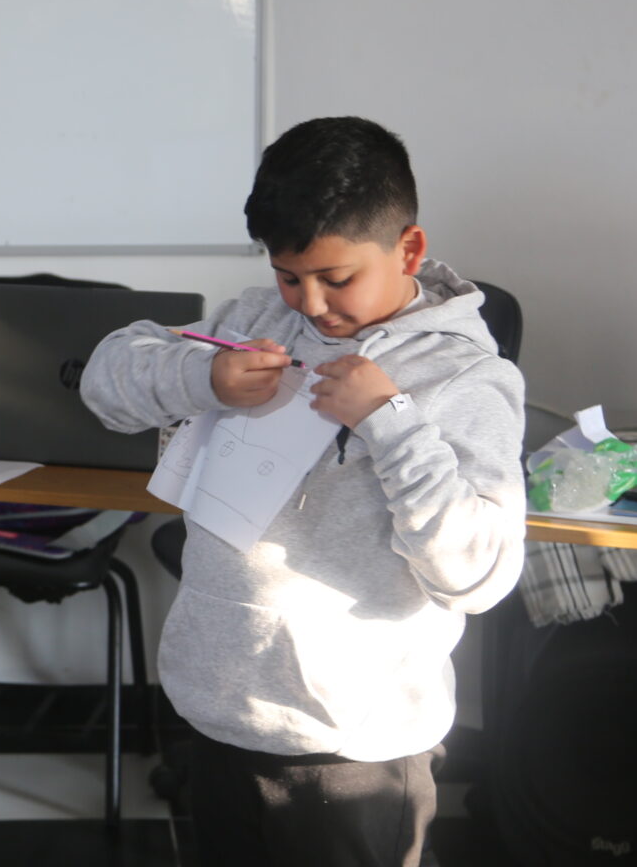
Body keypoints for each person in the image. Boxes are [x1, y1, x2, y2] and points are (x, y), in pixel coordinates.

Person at [81, 116, 523, 867]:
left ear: (408, 248)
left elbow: (478, 576)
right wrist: (204, 377)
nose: (311, 303)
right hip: (223, 714)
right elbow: (106, 379)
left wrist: (392, 422)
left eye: (336, 278)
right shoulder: (257, 318)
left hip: (357, 746)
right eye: (290, 275)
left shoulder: (465, 377)